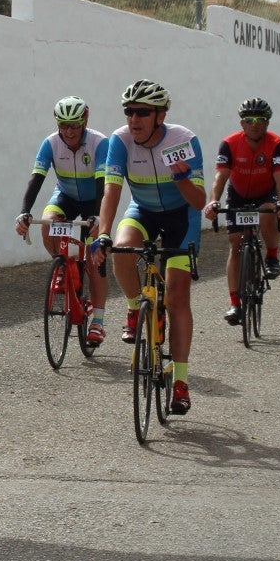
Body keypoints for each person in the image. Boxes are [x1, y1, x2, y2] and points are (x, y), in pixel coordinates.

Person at [89, 79, 206, 415]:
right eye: (129, 111)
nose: (133, 119)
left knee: (177, 296)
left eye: (142, 112)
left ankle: (181, 381)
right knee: (122, 252)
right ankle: (132, 306)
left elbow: (199, 202)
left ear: (160, 115)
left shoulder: (184, 141)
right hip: (143, 212)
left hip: (182, 218)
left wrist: (182, 178)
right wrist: (105, 233)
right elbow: (111, 192)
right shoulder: (120, 141)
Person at [14, 95, 111, 345]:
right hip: (66, 196)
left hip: (93, 199)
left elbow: (103, 185)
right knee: (48, 223)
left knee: (94, 256)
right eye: (64, 125)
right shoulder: (50, 143)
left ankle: (98, 322)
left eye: (75, 125)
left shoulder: (100, 143)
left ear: (85, 120)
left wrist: (99, 216)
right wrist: (25, 211)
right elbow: (36, 179)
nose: (69, 131)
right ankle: (62, 264)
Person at [202, 97, 280, 326]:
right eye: (249, 120)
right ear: (242, 123)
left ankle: (272, 256)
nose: (255, 124)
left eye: (260, 119)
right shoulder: (229, 143)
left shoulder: (276, 143)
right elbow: (221, 177)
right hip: (238, 194)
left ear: (267, 123)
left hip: (265, 194)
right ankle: (235, 303)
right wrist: (213, 202)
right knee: (235, 243)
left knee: (265, 212)